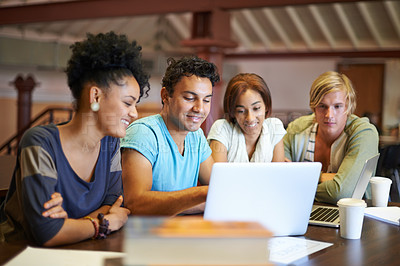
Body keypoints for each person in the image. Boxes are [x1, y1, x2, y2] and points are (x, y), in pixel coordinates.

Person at [0, 32, 150, 246]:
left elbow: (114, 202)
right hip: (16, 254)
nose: (134, 113)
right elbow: (47, 233)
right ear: (95, 96)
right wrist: (103, 223)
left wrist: (68, 226)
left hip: (79, 250)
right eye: (128, 103)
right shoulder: (40, 143)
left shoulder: (111, 144)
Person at [121, 56, 220, 216]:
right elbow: (136, 203)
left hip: (182, 231)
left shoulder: (197, 136)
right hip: (145, 235)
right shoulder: (143, 133)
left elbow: (219, 188)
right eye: (189, 98)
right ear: (165, 95)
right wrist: (200, 195)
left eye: (207, 100)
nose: (199, 108)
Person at [284, 71, 379, 204]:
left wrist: (303, 177)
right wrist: (329, 179)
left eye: (337, 106)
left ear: (348, 106)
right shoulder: (296, 129)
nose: (329, 115)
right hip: (302, 211)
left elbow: (343, 192)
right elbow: (281, 182)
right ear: (313, 107)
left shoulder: (363, 132)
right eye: (322, 106)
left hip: (353, 216)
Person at [207, 73, 286, 162]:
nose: (250, 118)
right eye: (241, 111)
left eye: (256, 108)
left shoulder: (274, 127)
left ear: (266, 106)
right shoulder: (222, 128)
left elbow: (277, 174)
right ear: (232, 111)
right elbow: (218, 174)